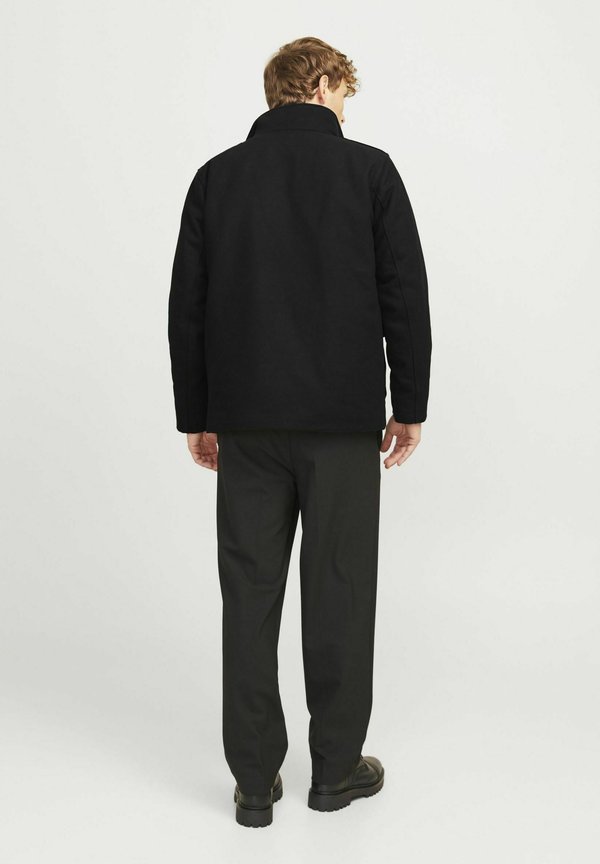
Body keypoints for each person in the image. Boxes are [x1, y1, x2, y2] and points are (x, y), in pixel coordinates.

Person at [168, 35, 432, 828]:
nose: (347, 107)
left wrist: (198, 416)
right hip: (341, 427)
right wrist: (409, 403)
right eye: (344, 91)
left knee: (248, 597)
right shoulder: (370, 173)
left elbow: (188, 308)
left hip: (246, 423)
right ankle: (335, 770)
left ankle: (254, 782)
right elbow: (404, 294)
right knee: (339, 591)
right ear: (318, 85)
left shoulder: (217, 178)